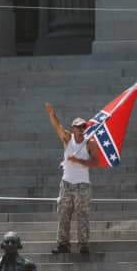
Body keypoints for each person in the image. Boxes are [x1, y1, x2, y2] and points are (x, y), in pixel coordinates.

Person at [45, 102, 100, 255]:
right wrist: (51, 113)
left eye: (83, 126)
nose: (81, 129)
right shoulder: (68, 139)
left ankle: (83, 244)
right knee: (64, 213)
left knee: (82, 214)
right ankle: (63, 244)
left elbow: (96, 162)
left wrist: (79, 161)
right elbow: (58, 126)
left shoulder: (90, 143)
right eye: (78, 126)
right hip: (67, 182)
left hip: (82, 183)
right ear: (74, 128)